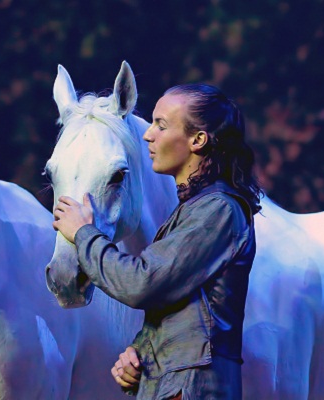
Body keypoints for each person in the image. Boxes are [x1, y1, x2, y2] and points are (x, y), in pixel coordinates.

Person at [52, 83, 262, 400]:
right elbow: (180, 310)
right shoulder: (196, 210)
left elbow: (143, 283)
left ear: (198, 140)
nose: (148, 135)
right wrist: (138, 355)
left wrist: (84, 233)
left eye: (161, 125)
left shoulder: (218, 210)